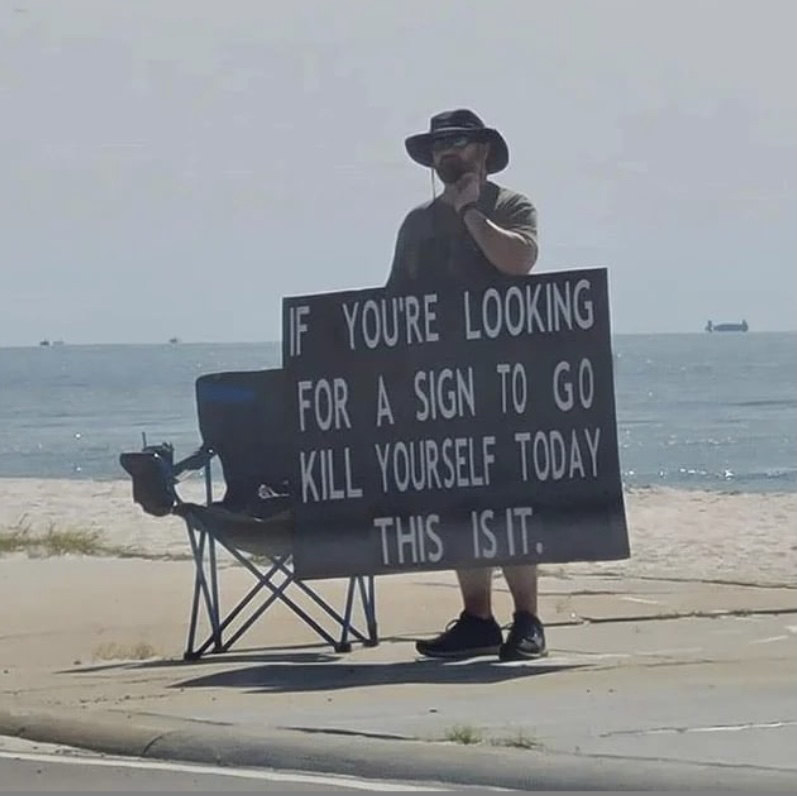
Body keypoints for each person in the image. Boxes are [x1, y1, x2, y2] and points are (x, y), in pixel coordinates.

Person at [385, 108, 547, 662]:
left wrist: (471, 213)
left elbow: (519, 262)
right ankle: (477, 618)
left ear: (483, 150)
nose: (446, 153)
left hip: (507, 386)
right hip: (440, 389)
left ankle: (527, 619)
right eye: (438, 146)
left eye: (457, 142)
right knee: (460, 506)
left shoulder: (511, 207)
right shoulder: (417, 224)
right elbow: (394, 304)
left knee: (511, 505)